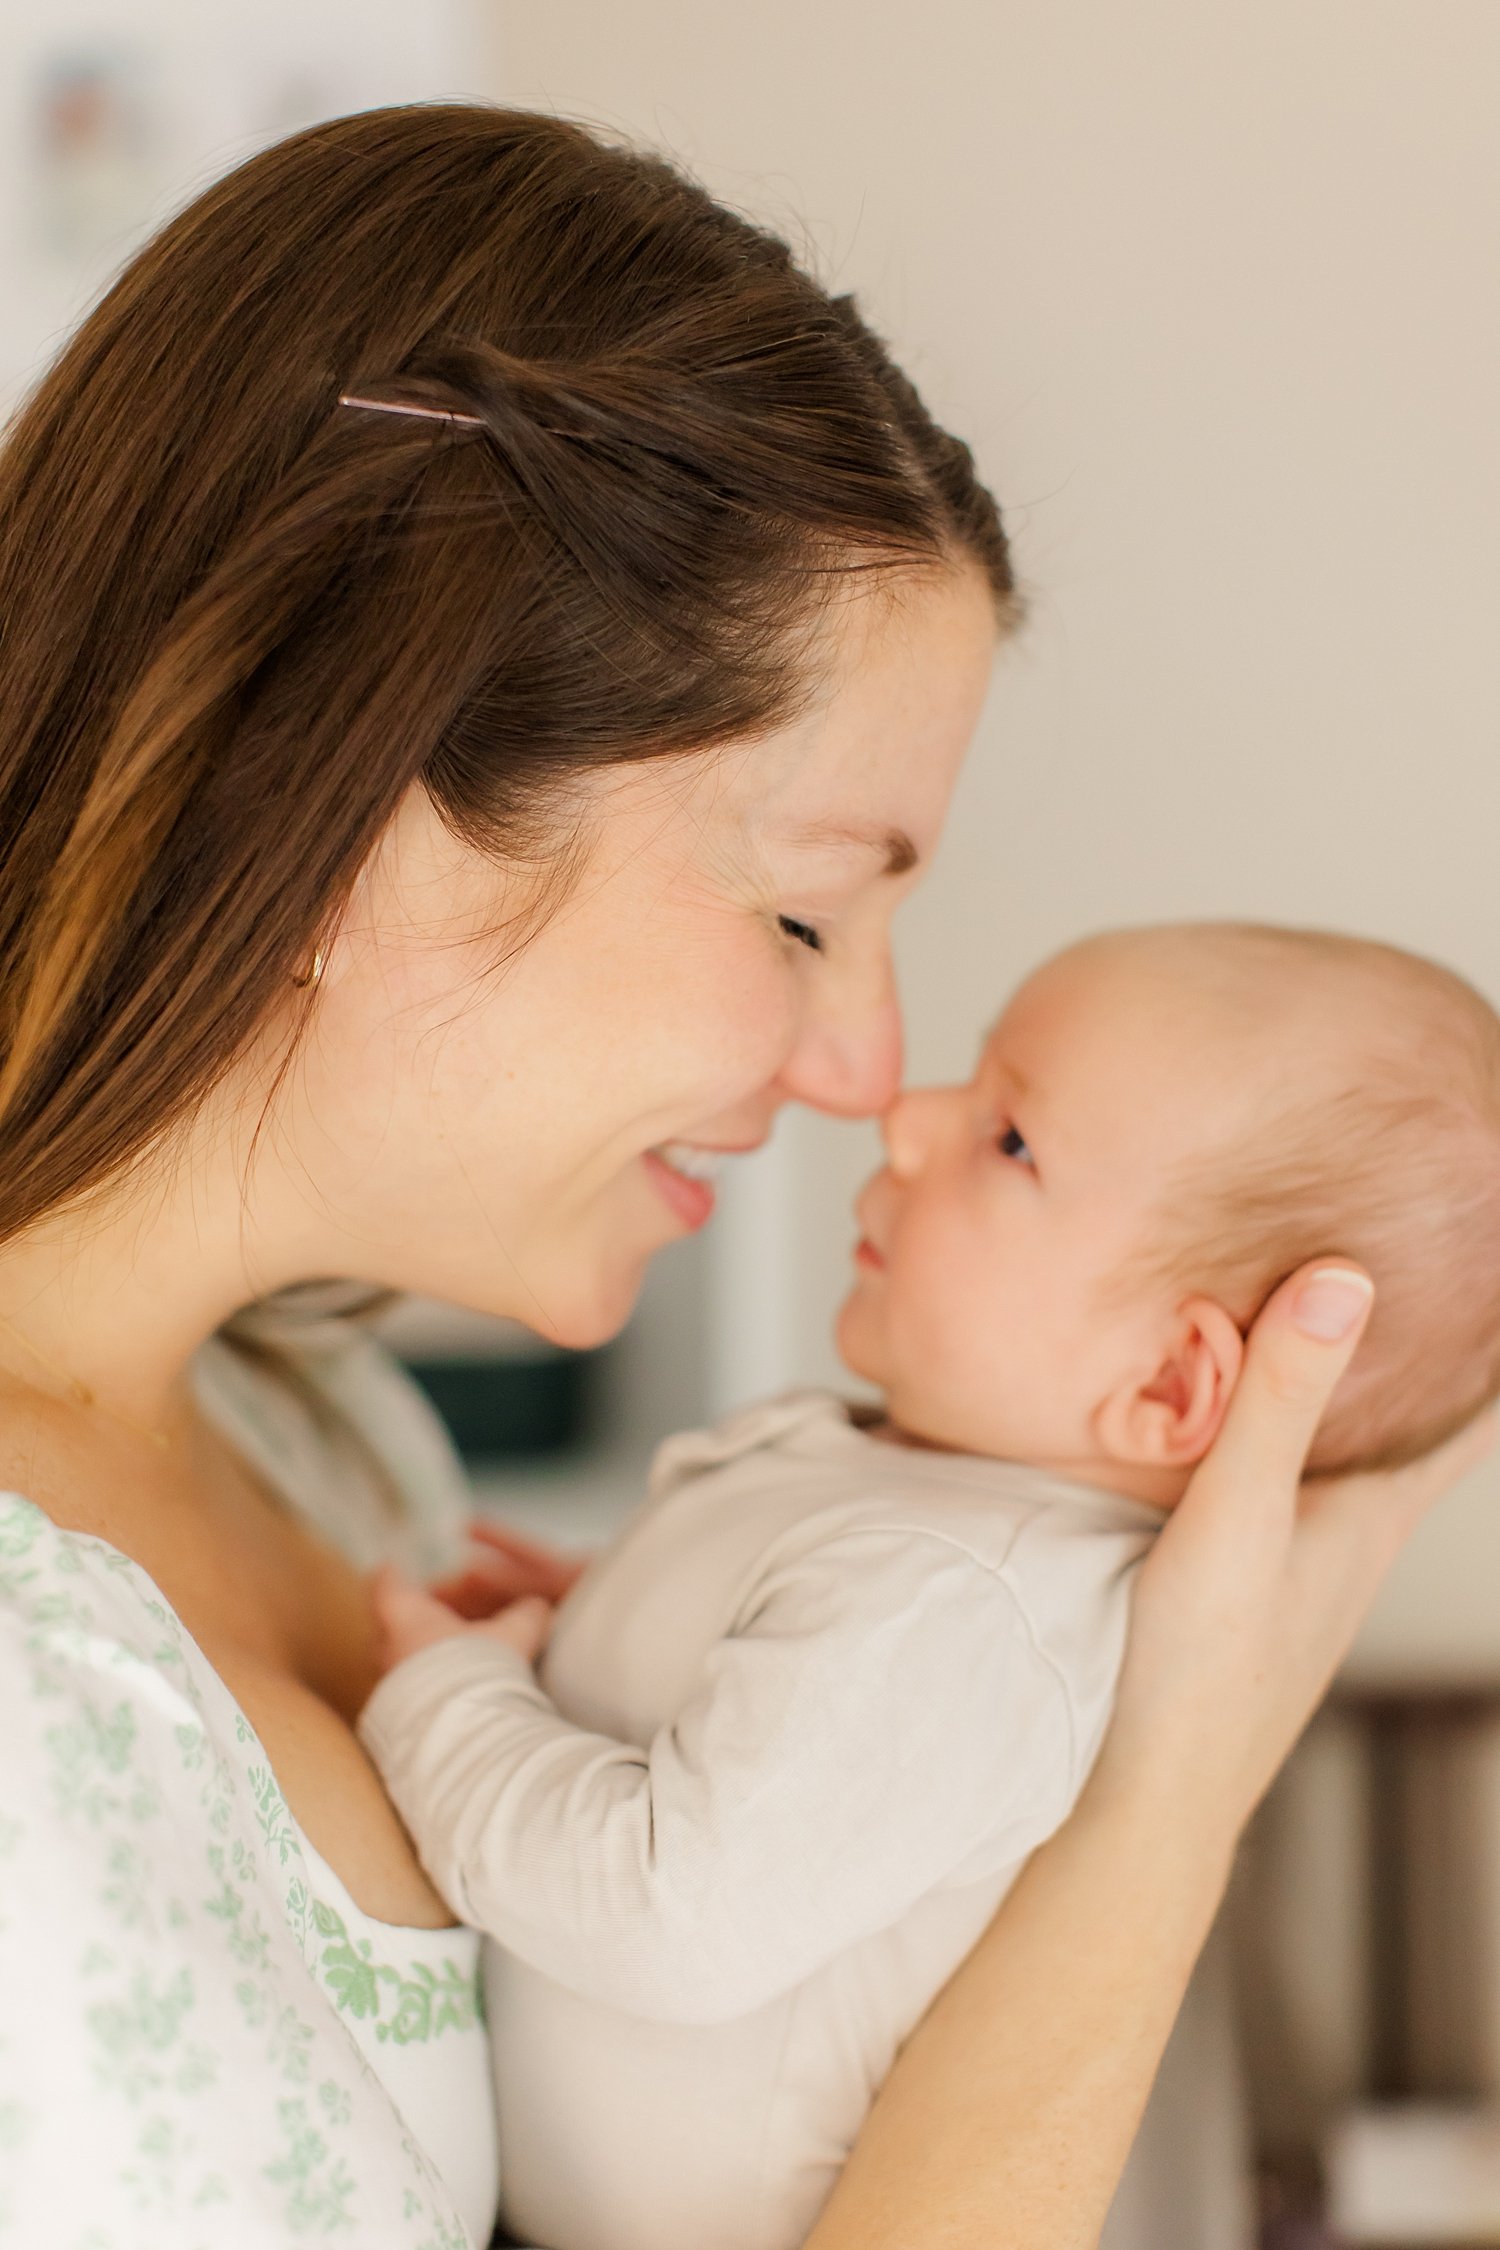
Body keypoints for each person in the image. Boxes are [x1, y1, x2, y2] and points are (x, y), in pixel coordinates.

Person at [0, 101, 1482, 2250]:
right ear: (336, 804)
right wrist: (1171, 1794)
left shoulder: (339, 1456)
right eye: (805, 912)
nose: (870, 1067)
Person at [358, 919, 1500, 2250]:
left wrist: (448, 1697)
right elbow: (806, 1713)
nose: (906, 1116)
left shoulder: (963, 1609)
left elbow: (674, 1912)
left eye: (1011, 1140)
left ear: (1172, 1385)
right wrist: (615, 1623)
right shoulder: (944, 1527)